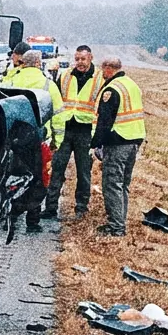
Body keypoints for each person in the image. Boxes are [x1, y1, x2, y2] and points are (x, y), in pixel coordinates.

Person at [2, 49, 65, 233]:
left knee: (11, 177)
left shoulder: (11, 79)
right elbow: (58, 115)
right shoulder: (48, 84)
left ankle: (10, 215)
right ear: (39, 63)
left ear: (23, 62)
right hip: (37, 140)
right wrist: (56, 140)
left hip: (13, 140)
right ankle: (33, 221)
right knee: (37, 179)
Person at [43, 45, 102, 220]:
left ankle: (81, 208)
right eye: (77, 59)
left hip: (85, 131)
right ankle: (50, 207)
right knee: (57, 169)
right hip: (66, 129)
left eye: (83, 59)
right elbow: (56, 99)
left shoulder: (99, 78)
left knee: (84, 172)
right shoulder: (66, 75)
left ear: (90, 57)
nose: (80, 63)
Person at [91, 57, 145, 236]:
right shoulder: (131, 84)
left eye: (102, 69)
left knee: (112, 184)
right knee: (123, 185)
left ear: (108, 68)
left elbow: (104, 121)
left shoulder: (111, 90)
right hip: (134, 141)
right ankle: (119, 221)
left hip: (117, 142)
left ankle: (116, 227)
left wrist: (96, 144)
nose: (102, 73)